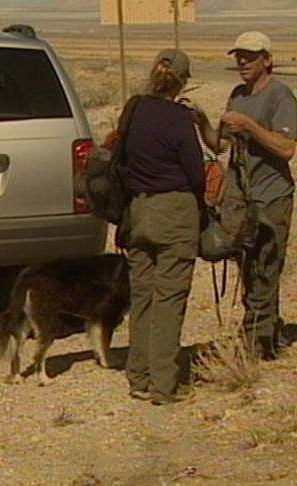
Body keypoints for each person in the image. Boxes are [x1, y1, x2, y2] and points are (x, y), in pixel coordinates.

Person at [196, 31, 297, 360]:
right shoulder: (237, 95)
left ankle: (260, 341)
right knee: (246, 264)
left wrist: (250, 127)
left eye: (250, 56)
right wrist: (202, 124)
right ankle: (262, 332)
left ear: (267, 60)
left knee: (266, 265)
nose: (242, 62)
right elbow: (220, 145)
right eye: (238, 56)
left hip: (271, 196)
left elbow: (287, 148)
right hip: (240, 197)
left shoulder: (280, 96)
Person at [123, 49, 205, 405]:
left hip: (138, 210)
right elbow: (196, 173)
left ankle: (138, 377)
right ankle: (164, 384)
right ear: (183, 82)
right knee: (169, 299)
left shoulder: (135, 109)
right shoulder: (178, 118)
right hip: (174, 211)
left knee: (142, 297)